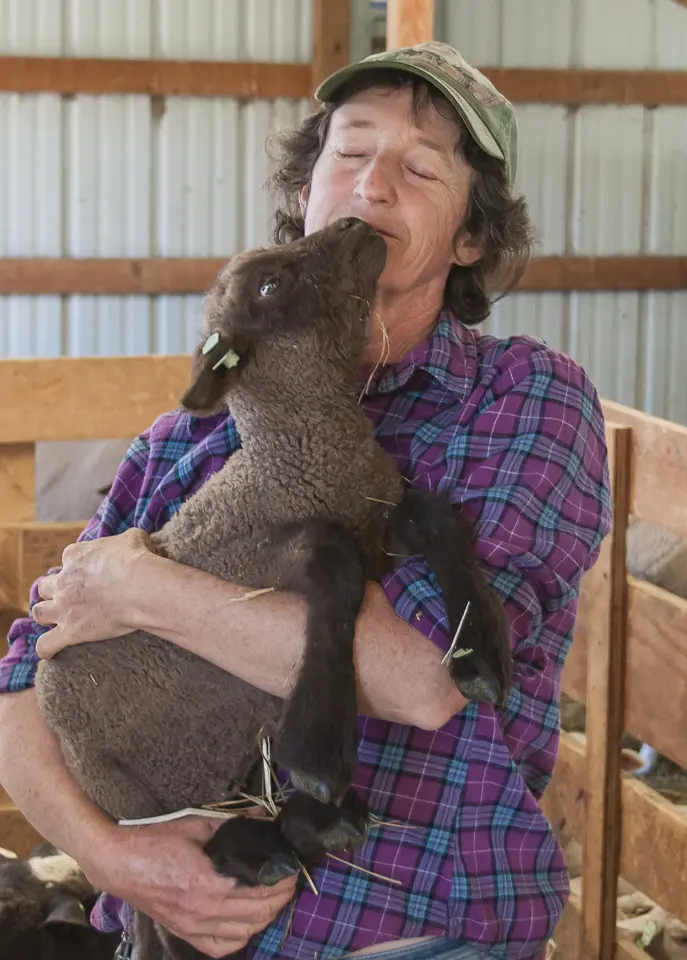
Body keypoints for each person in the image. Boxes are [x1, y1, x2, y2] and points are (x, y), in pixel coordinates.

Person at [0, 41, 611, 960]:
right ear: (306, 192)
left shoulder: (524, 402)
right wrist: (111, 856)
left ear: (472, 235)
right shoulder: (190, 437)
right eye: (350, 151)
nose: (373, 184)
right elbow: (18, 681)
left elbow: (425, 678)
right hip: (170, 919)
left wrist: (142, 592)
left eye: (419, 166)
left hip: (401, 925)